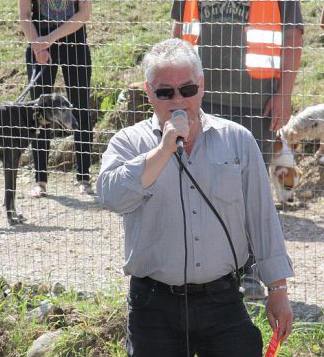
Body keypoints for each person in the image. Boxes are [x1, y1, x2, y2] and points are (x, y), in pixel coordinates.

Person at [96, 39, 294, 357]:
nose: (178, 100)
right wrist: (162, 151)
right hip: (153, 306)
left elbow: (263, 220)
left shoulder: (238, 140)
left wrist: (278, 290)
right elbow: (111, 197)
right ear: (149, 92)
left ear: (201, 86)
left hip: (223, 301)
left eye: (186, 89)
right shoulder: (128, 143)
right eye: (165, 92)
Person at [171, 0, 303, 299]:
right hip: (198, 97)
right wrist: (176, 92)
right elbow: (178, 30)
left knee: (249, 191)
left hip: (255, 101)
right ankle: (207, 269)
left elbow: (293, 35)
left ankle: (253, 271)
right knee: (200, 184)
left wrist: (284, 93)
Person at [18, 0, 94, 197]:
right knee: (39, 112)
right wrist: (38, 46)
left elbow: (84, 14)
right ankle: (40, 180)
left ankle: (84, 177)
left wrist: (49, 39)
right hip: (39, 45)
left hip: (74, 44)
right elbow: (24, 15)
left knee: (80, 108)